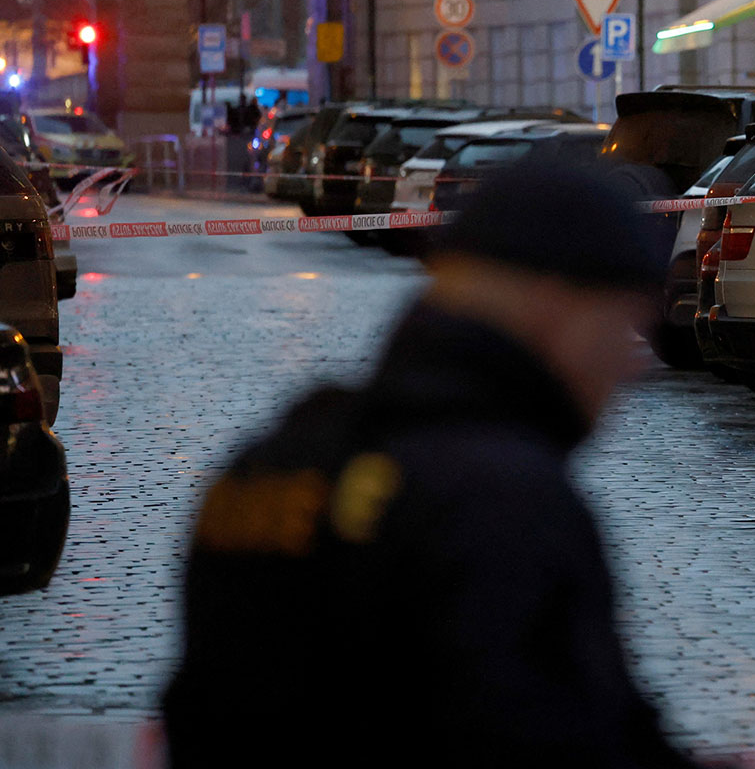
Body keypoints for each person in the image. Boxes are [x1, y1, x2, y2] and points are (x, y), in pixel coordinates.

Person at [163, 161, 703, 769]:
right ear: (558, 303)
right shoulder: (501, 500)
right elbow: (559, 735)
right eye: (625, 323)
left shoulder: (267, 465)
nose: (631, 361)